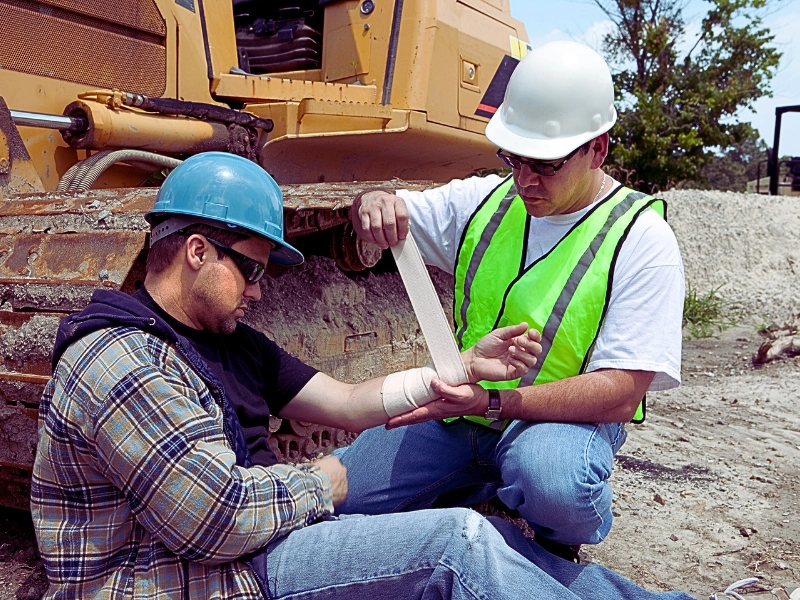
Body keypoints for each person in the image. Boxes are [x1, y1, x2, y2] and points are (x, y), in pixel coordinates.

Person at [30, 152, 694, 600]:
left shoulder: (229, 341)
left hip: (250, 541)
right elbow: (216, 523)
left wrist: (456, 369)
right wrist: (323, 480)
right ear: (197, 251)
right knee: (454, 540)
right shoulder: (122, 361)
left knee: (484, 538)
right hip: (191, 578)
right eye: (253, 269)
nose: (261, 291)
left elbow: (346, 402)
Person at [336, 40, 685, 562]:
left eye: (544, 164)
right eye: (513, 159)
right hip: (462, 415)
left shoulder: (641, 239)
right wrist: (372, 204)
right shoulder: (488, 200)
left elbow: (621, 394)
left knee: (554, 482)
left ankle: (552, 534)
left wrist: (497, 402)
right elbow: (389, 213)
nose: (524, 179)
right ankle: (480, 486)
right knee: (346, 496)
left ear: (598, 149)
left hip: (556, 427)